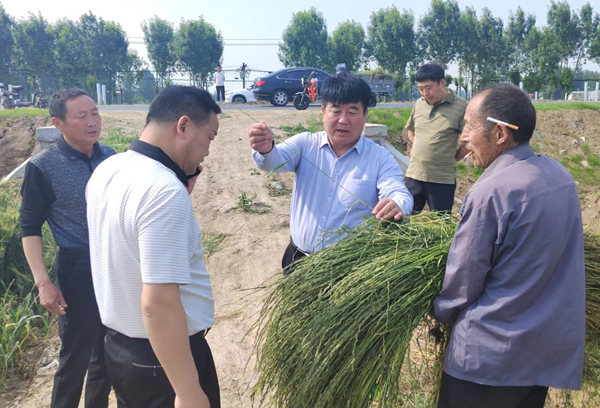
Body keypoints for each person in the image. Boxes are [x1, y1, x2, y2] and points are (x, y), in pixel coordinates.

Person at [433, 84, 585, 408]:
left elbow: (463, 280)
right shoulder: (562, 177)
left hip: (488, 360)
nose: (464, 137)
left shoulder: (491, 191)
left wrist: (438, 311)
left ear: (500, 134)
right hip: (541, 356)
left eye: (470, 126)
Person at [86, 85, 221, 408]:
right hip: (163, 360)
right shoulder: (163, 191)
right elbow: (158, 303)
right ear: (184, 126)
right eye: (210, 137)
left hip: (121, 350)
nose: (207, 151)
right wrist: (188, 392)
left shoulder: (109, 169)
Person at [248, 74, 413, 271]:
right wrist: (265, 149)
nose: (343, 120)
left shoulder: (380, 158)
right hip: (298, 259)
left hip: (349, 269)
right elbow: (273, 161)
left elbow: (398, 192)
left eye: (352, 111)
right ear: (323, 111)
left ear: (365, 115)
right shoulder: (305, 144)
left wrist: (397, 205)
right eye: (336, 110)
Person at [19, 89, 114, 408]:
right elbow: (30, 227)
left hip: (113, 264)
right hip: (77, 267)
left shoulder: (111, 157)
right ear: (58, 123)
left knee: (108, 355)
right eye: (82, 116)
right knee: (75, 357)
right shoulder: (43, 167)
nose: (92, 121)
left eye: (95, 113)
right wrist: (44, 283)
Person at [404, 63, 469, 213]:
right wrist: (420, 148)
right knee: (405, 218)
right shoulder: (419, 104)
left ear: (442, 82)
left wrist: (454, 158)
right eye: (421, 89)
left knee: (440, 224)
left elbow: (469, 140)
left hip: (442, 179)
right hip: (414, 174)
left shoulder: (461, 107)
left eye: (429, 87)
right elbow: (411, 131)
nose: (425, 93)